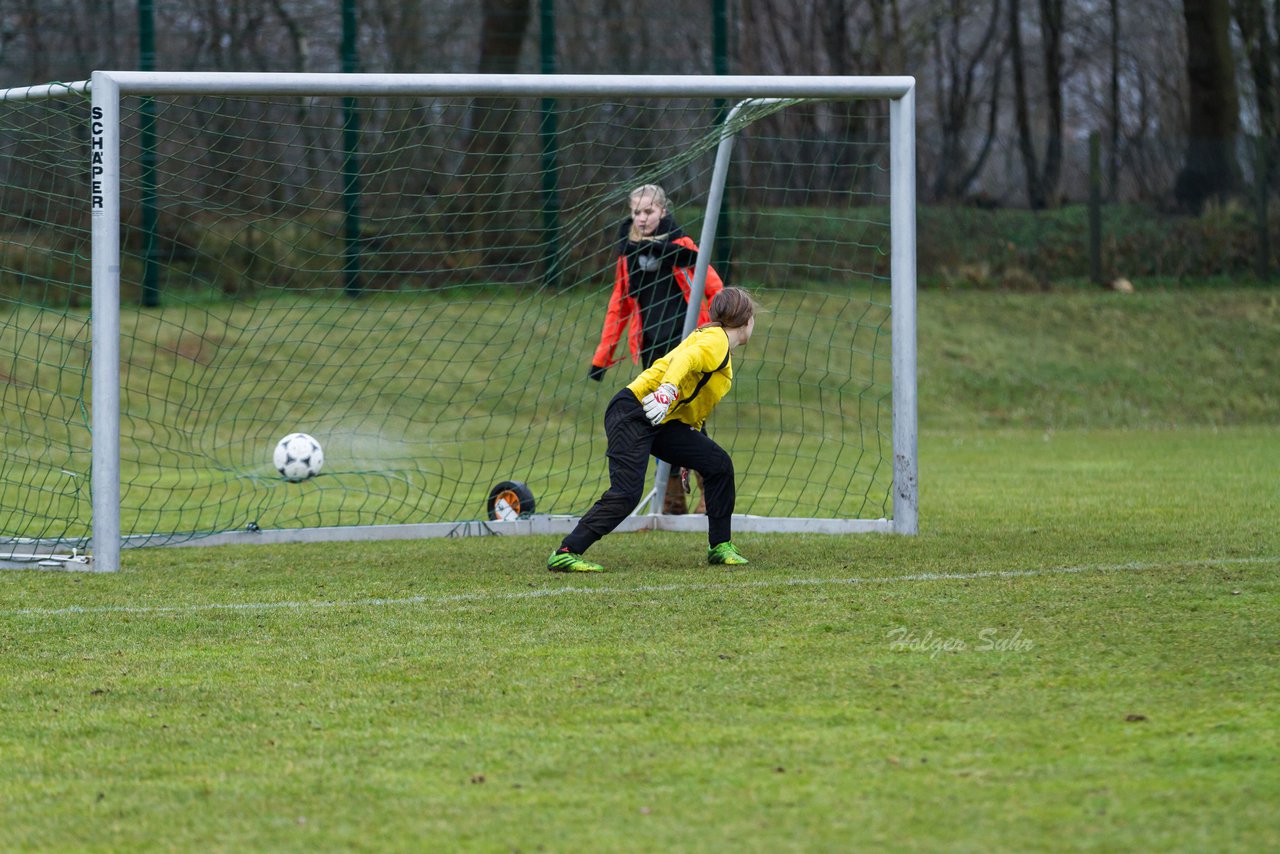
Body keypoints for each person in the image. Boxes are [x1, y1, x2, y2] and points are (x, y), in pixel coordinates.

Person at [549, 286, 758, 573]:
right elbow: (686, 360)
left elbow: (694, 402)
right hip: (634, 411)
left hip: (664, 420)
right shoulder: (715, 340)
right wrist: (666, 391)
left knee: (717, 464)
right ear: (747, 320)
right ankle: (567, 551)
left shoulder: (719, 348)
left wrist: (689, 453)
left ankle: (720, 546)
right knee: (626, 493)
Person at [588, 184, 724, 514]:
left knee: (691, 418)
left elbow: (716, 288)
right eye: (637, 212)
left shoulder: (684, 247)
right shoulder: (628, 254)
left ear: (663, 211)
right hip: (653, 352)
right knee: (659, 421)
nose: (642, 218)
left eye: (649, 211)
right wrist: (602, 357)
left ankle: (708, 493)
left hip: (688, 349)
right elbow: (619, 306)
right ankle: (671, 498)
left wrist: (720, 332)